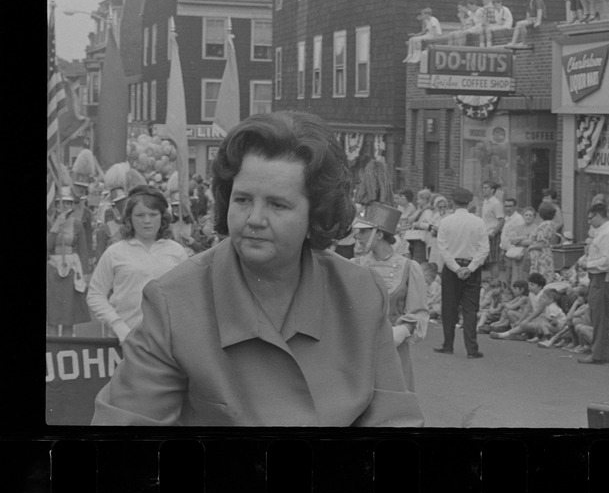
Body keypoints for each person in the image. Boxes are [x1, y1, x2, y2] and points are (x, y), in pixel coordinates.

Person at [92, 112, 423, 427]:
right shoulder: (173, 302)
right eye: (243, 200)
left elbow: (394, 423)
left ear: (316, 215)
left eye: (277, 204)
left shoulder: (361, 292)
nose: (254, 219)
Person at [86, 186, 188, 343]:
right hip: (125, 341)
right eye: (140, 215)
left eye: (153, 215)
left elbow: (187, 295)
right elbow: (95, 294)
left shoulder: (176, 251)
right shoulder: (115, 252)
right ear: (129, 219)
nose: (147, 221)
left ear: (162, 217)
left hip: (168, 342)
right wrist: (117, 325)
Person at [352, 203, 429, 392]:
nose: (357, 237)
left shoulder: (409, 267)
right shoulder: (355, 265)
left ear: (378, 234)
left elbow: (418, 313)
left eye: (362, 232)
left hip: (394, 349)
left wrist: (403, 329)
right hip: (360, 349)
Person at [434, 186, 489, 359]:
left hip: (452, 268)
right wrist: (471, 267)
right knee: (470, 308)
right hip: (471, 268)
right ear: (469, 202)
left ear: (453, 201)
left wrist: (456, 268)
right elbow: (484, 249)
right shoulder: (478, 222)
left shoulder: (446, 222)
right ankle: (472, 348)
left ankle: (448, 344)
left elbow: (442, 248)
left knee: (449, 306)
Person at [47, 186, 93, 336]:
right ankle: (52, 351)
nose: (65, 206)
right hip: (52, 269)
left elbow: (83, 250)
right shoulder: (49, 223)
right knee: (52, 317)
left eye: (68, 203)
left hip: (72, 269)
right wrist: (55, 228)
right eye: (62, 202)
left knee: (69, 317)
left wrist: (85, 274)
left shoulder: (77, 223)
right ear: (55, 203)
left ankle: (67, 348)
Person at [576, 202, 609, 365]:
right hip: (596, 276)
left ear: (599, 216)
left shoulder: (607, 234)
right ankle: (601, 352)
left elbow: (607, 260)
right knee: (596, 314)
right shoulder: (600, 232)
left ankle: (598, 354)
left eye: (590, 218)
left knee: (599, 316)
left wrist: (588, 264)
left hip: (601, 277)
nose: (589, 221)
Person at [527, 202, 558, 283]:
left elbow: (541, 244)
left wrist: (530, 247)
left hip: (541, 257)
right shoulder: (551, 224)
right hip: (547, 254)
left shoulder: (543, 226)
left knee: (539, 279)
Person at [480, 180, 505, 272]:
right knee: (484, 258)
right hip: (484, 234)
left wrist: (494, 233)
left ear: (492, 190)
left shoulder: (496, 203)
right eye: (483, 188)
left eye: (486, 188)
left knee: (493, 260)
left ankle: (494, 282)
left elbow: (501, 220)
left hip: (492, 235)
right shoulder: (485, 202)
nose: (483, 190)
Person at [405, 188, 434, 263]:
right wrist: (418, 210)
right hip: (417, 239)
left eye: (419, 199)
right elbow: (410, 220)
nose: (418, 201)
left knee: (418, 260)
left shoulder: (428, 211)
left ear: (424, 200)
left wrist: (418, 224)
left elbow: (429, 225)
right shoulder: (421, 210)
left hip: (422, 240)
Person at [498, 197, 525, 281]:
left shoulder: (518, 219)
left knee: (512, 275)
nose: (508, 208)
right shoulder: (506, 218)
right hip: (505, 250)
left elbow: (520, 236)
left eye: (510, 206)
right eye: (506, 206)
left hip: (513, 252)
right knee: (506, 275)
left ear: (515, 207)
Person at [425, 194, 451, 270]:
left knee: (441, 263)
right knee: (433, 263)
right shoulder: (436, 216)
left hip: (444, 243)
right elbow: (431, 226)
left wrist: (438, 230)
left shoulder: (448, 217)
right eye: (440, 207)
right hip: (435, 242)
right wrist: (432, 230)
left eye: (444, 206)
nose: (442, 209)